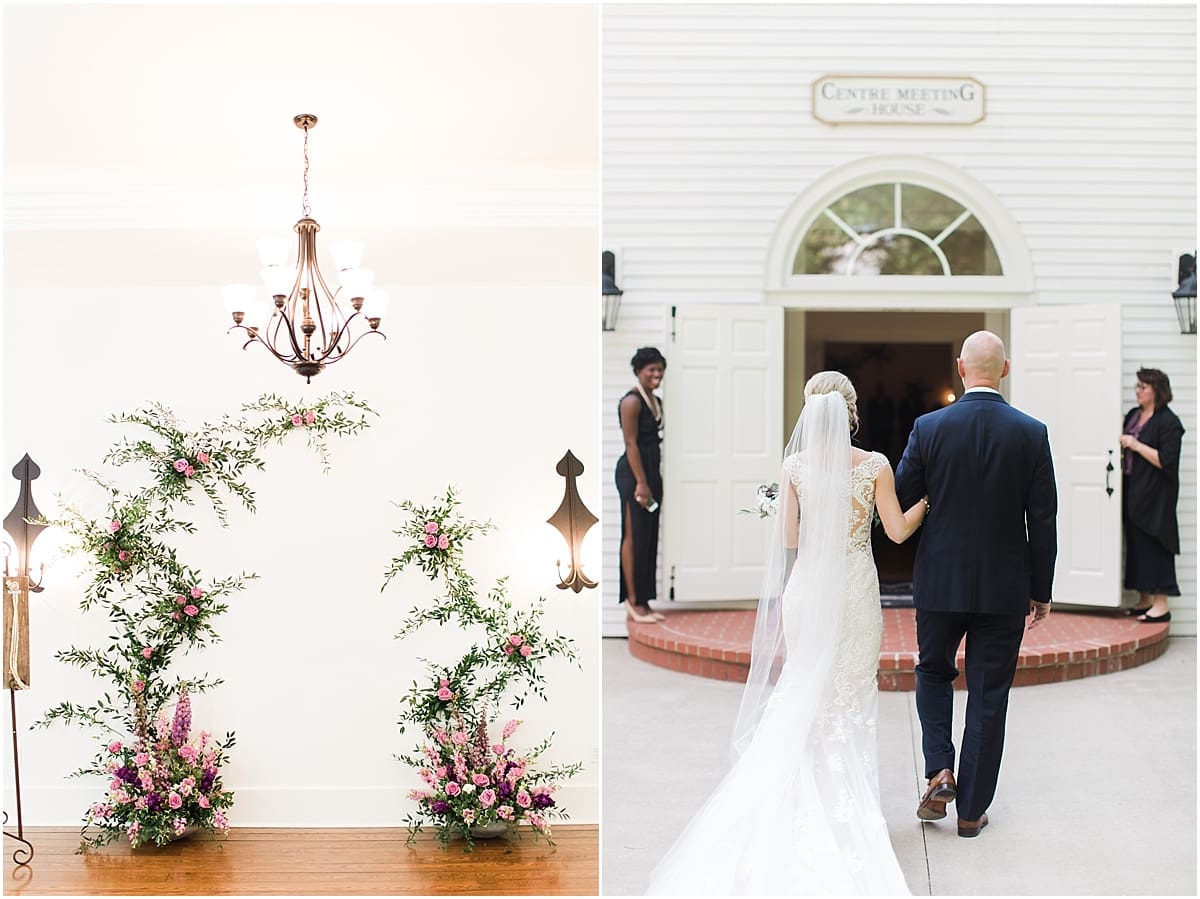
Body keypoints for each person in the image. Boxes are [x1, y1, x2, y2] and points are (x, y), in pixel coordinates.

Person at [646, 371, 927, 895]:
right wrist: (926, 505)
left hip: (808, 590)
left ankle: (787, 792)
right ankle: (848, 798)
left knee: (804, 685)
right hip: (854, 589)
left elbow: (792, 537)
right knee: (850, 693)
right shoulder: (875, 466)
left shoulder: (795, 466)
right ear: (849, 411)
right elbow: (896, 530)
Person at [895, 331, 1057, 840]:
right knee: (989, 693)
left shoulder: (929, 427)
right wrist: (1042, 588)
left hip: (940, 577)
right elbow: (1043, 520)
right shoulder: (1031, 433)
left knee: (933, 670)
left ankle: (939, 769)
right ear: (1004, 370)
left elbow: (901, 495)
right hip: (1004, 585)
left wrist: (936, 503)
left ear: (960, 369)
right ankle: (971, 811)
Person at [1120, 367, 1185, 622]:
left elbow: (1167, 461)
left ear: (1157, 390)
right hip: (1134, 492)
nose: (1137, 391)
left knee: (1156, 544)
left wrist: (1135, 445)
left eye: (1142, 387)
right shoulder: (1133, 415)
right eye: (1137, 386)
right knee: (1137, 545)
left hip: (1158, 497)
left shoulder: (1169, 423)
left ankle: (1161, 604)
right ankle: (1144, 599)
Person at [616, 347, 666, 624]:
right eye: (651, 369)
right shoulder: (631, 402)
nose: (657, 374)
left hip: (651, 473)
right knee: (634, 536)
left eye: (660, 369)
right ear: (639, 371)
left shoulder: (655, 400)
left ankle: (645, 601)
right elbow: (631, 443)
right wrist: (642, 483)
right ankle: (632, 602)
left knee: (648, 537)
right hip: (634, 476)